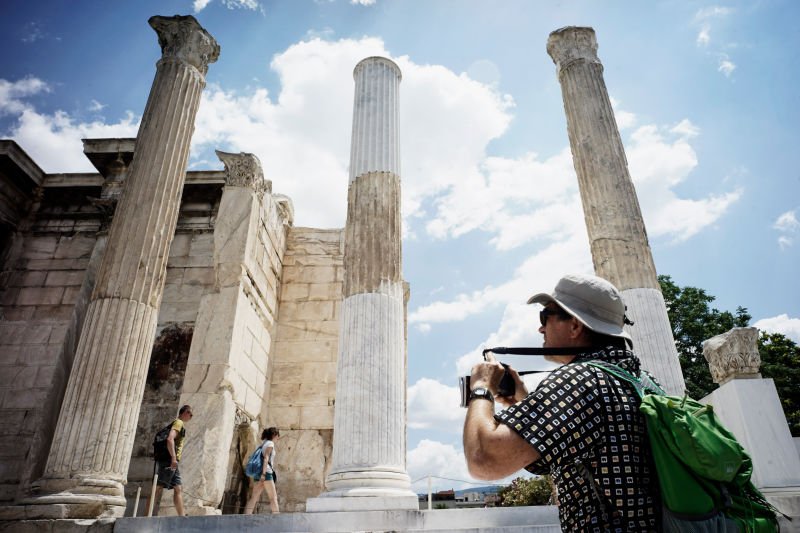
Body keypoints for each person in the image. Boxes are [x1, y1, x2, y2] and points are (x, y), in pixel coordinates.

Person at [463, 273, 661, 532]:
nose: (540, 328)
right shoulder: (641, 381)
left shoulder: (581, 379)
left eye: (546, 316)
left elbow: (484, 460)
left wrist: (481, 388)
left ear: (575, 326)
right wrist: (523, 402)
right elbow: (580, 450)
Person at [146, 404, 193, 516]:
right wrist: (173, 458)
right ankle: (146, 515)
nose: (191, 417)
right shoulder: (179, 423)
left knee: (177, 488)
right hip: (169, 460)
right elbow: (170, 439)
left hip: (171, 461)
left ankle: (181, 516)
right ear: (185, 413)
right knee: (158, 488)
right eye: (190, 414)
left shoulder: (178, 423)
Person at [244, 427, 280, 515]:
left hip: (258, 473)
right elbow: (266, 459)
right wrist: (264, 474)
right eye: (278, 435)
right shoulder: (270, 444)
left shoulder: (263, 444)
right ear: (274, 435)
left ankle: (245, 516)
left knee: (254, 498)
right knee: (273, 497)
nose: (278, 437)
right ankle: (278, 519)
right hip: (266, 473)